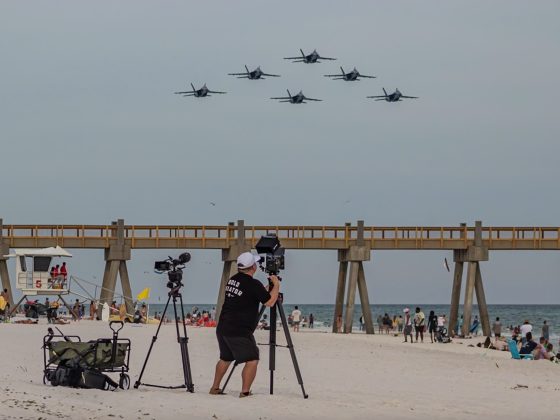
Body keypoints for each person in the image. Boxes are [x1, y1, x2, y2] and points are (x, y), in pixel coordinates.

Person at [210, 252, 279, 398]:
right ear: (253, 267)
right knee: (252, 359)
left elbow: (255, 293)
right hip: (239, 330)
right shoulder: (253, 284)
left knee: (226, 358)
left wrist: (269, 287)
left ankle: (215, 388)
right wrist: (277, 285)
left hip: (223, 327)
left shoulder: (233, 280)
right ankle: (245, 391)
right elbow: (270, 302)